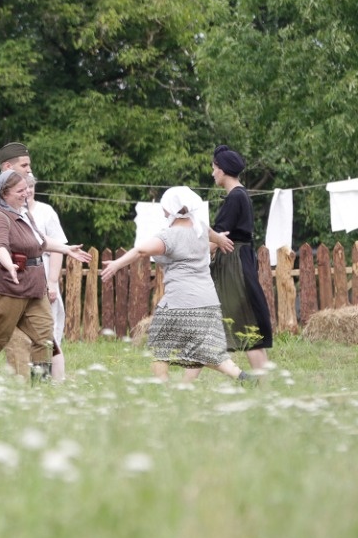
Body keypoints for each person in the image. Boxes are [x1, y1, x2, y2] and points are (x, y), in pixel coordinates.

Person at [101, 186, 255, 383]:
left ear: (170, 208)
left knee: (159, 345)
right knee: (206, 350)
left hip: (180, 301)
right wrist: (220, 241)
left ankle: (165, 390)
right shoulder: (200, 228)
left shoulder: (169, 236)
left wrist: (116, 264)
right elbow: (212, 240)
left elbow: (140, 251)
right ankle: (242, 378)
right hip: (208, 301)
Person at [0, 170, 91, 382]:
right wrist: (8, 264)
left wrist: (66, 249)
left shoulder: (24, 214)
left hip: (35, 288)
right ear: (5, 193)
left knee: (45, 339)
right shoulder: (0, 217)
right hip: (9, 289)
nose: (26, 193)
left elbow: (40, 241)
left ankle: (41, 387)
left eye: (27, 189)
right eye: (20, 190)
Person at [209, 144, 273, 370]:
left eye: (214, 168)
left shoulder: (235, 197)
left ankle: (263, 384)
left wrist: (194, 253)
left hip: (234, 264)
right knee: (248, 327)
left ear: (223, 169)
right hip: (239, 260)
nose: (212, 173)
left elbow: (218, 238)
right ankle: (265, 384)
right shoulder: (241, 194)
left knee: (247, 326)